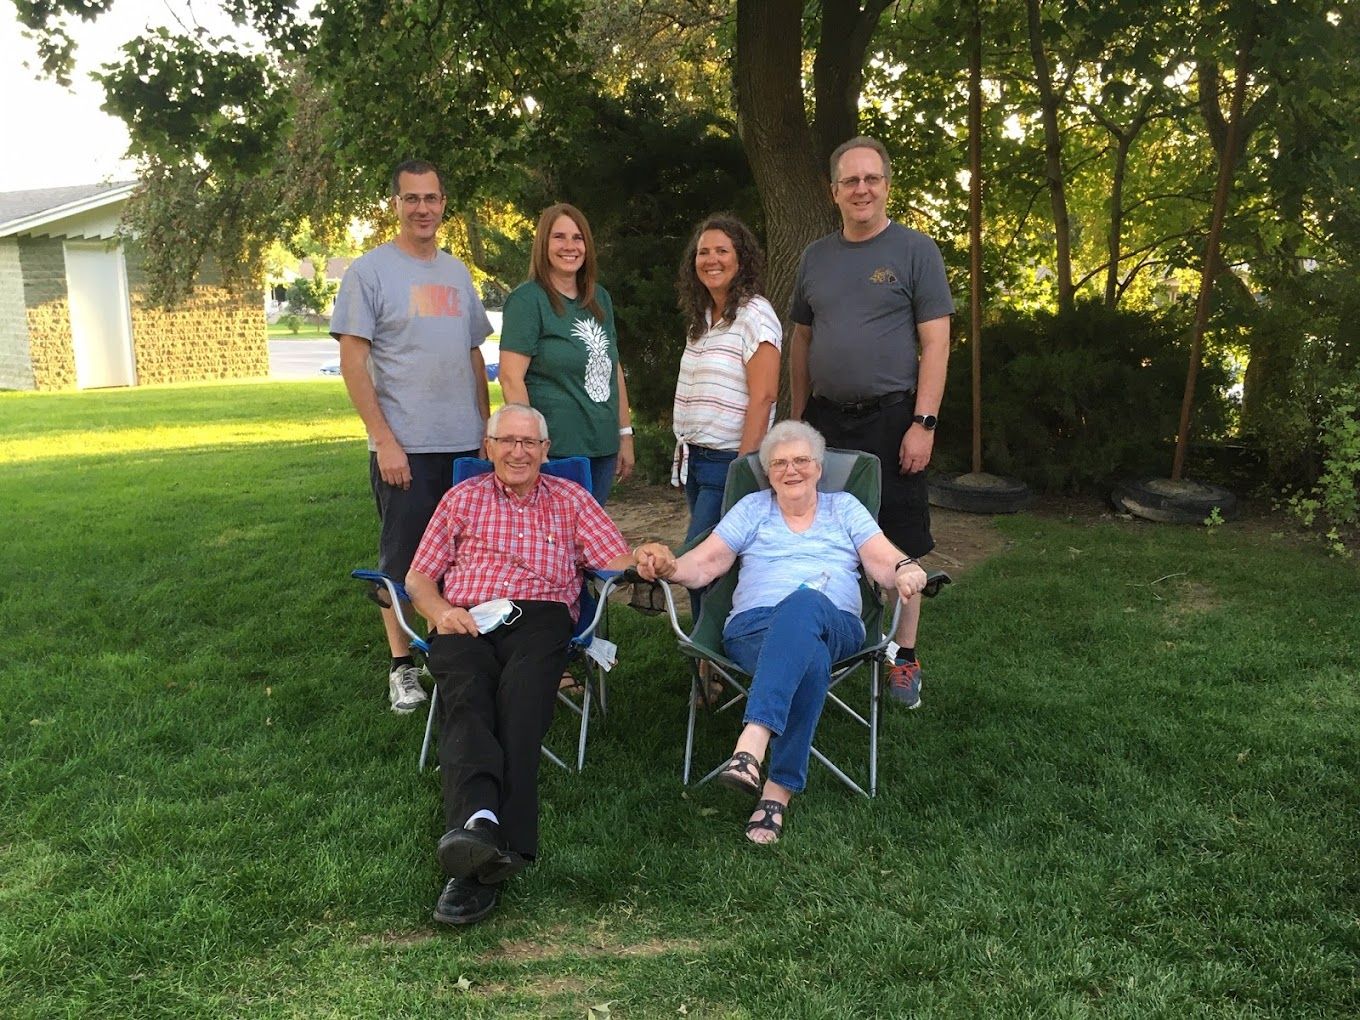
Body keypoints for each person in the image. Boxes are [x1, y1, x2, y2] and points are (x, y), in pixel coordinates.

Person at [636, 421, 930, 844]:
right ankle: (777, 791)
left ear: (819, 467)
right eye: (779, 463)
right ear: (768, 473)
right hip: (753, 628)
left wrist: (903, 569)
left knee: (804, 602)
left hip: (835, 623)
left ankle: (752, 740)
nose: (791, 470)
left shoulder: (844, 507)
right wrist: (670, 567)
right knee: (809, 660)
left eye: (801, 460)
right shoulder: (752, 508)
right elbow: (705, 563)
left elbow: (883, 559)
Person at [405, 403, 642, 925]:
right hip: (466, 617)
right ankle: (484, 834)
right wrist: (441, 613)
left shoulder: (571, 498)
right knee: (466, 696)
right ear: (488, 447)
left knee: (521, 701)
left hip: (542, 615)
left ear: (545, 450)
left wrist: (647, 561)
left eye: (529, 442)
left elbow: (615, 561)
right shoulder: (461, 498)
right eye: (507, 441)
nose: (518, 451)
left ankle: (477, 848)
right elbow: (419, 578)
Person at [788, 135, 954, 711]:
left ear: (886, 185)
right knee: (821, 533)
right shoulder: (814, 257)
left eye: (871, 178)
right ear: (833, 191)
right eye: (850, 180)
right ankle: (833, 637)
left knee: (901, 538)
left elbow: (937, 343)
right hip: (825, 423)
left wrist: (924, 422)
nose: (862, 189)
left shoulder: (916, 251)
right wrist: (798, 420)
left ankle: (903, 656)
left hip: (893, 419)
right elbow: (802, 340)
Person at [331, 158, 492, 715]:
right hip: (406, 448)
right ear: (396, 204)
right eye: (411, 198)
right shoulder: (370, 272)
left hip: (464, 445)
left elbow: (474, 355)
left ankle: (448, 652)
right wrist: (384, 439)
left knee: (461, 558)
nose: (423, 208)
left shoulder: (457, 273)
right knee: (403, 561)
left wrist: (486, 428)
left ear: (443, 204)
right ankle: (402, 667)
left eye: (431, 198)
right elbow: (353, 362)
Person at [671, 214, 780, 607]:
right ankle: (714, 639)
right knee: (714, 566)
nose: (711, 260)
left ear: (741, 259)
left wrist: (742, 469)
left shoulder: (756, 315)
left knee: (698, 563)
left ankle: (706, 643)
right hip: (696, 459)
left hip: (727, 462)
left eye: (722, 251)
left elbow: (764, 396)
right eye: (703, 252)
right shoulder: (702, 320)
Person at [498, 203, 634, 506]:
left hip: (602, 448)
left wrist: (625, 434)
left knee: (590, 532)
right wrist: (532, 445)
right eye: (559, 237)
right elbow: (510, 379)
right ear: (543, 244)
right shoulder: (528, 300)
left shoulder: (599, 298)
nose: (570, 246)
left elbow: (613, 368)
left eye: (578, 238)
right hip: (556, 451)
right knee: (554, 534)